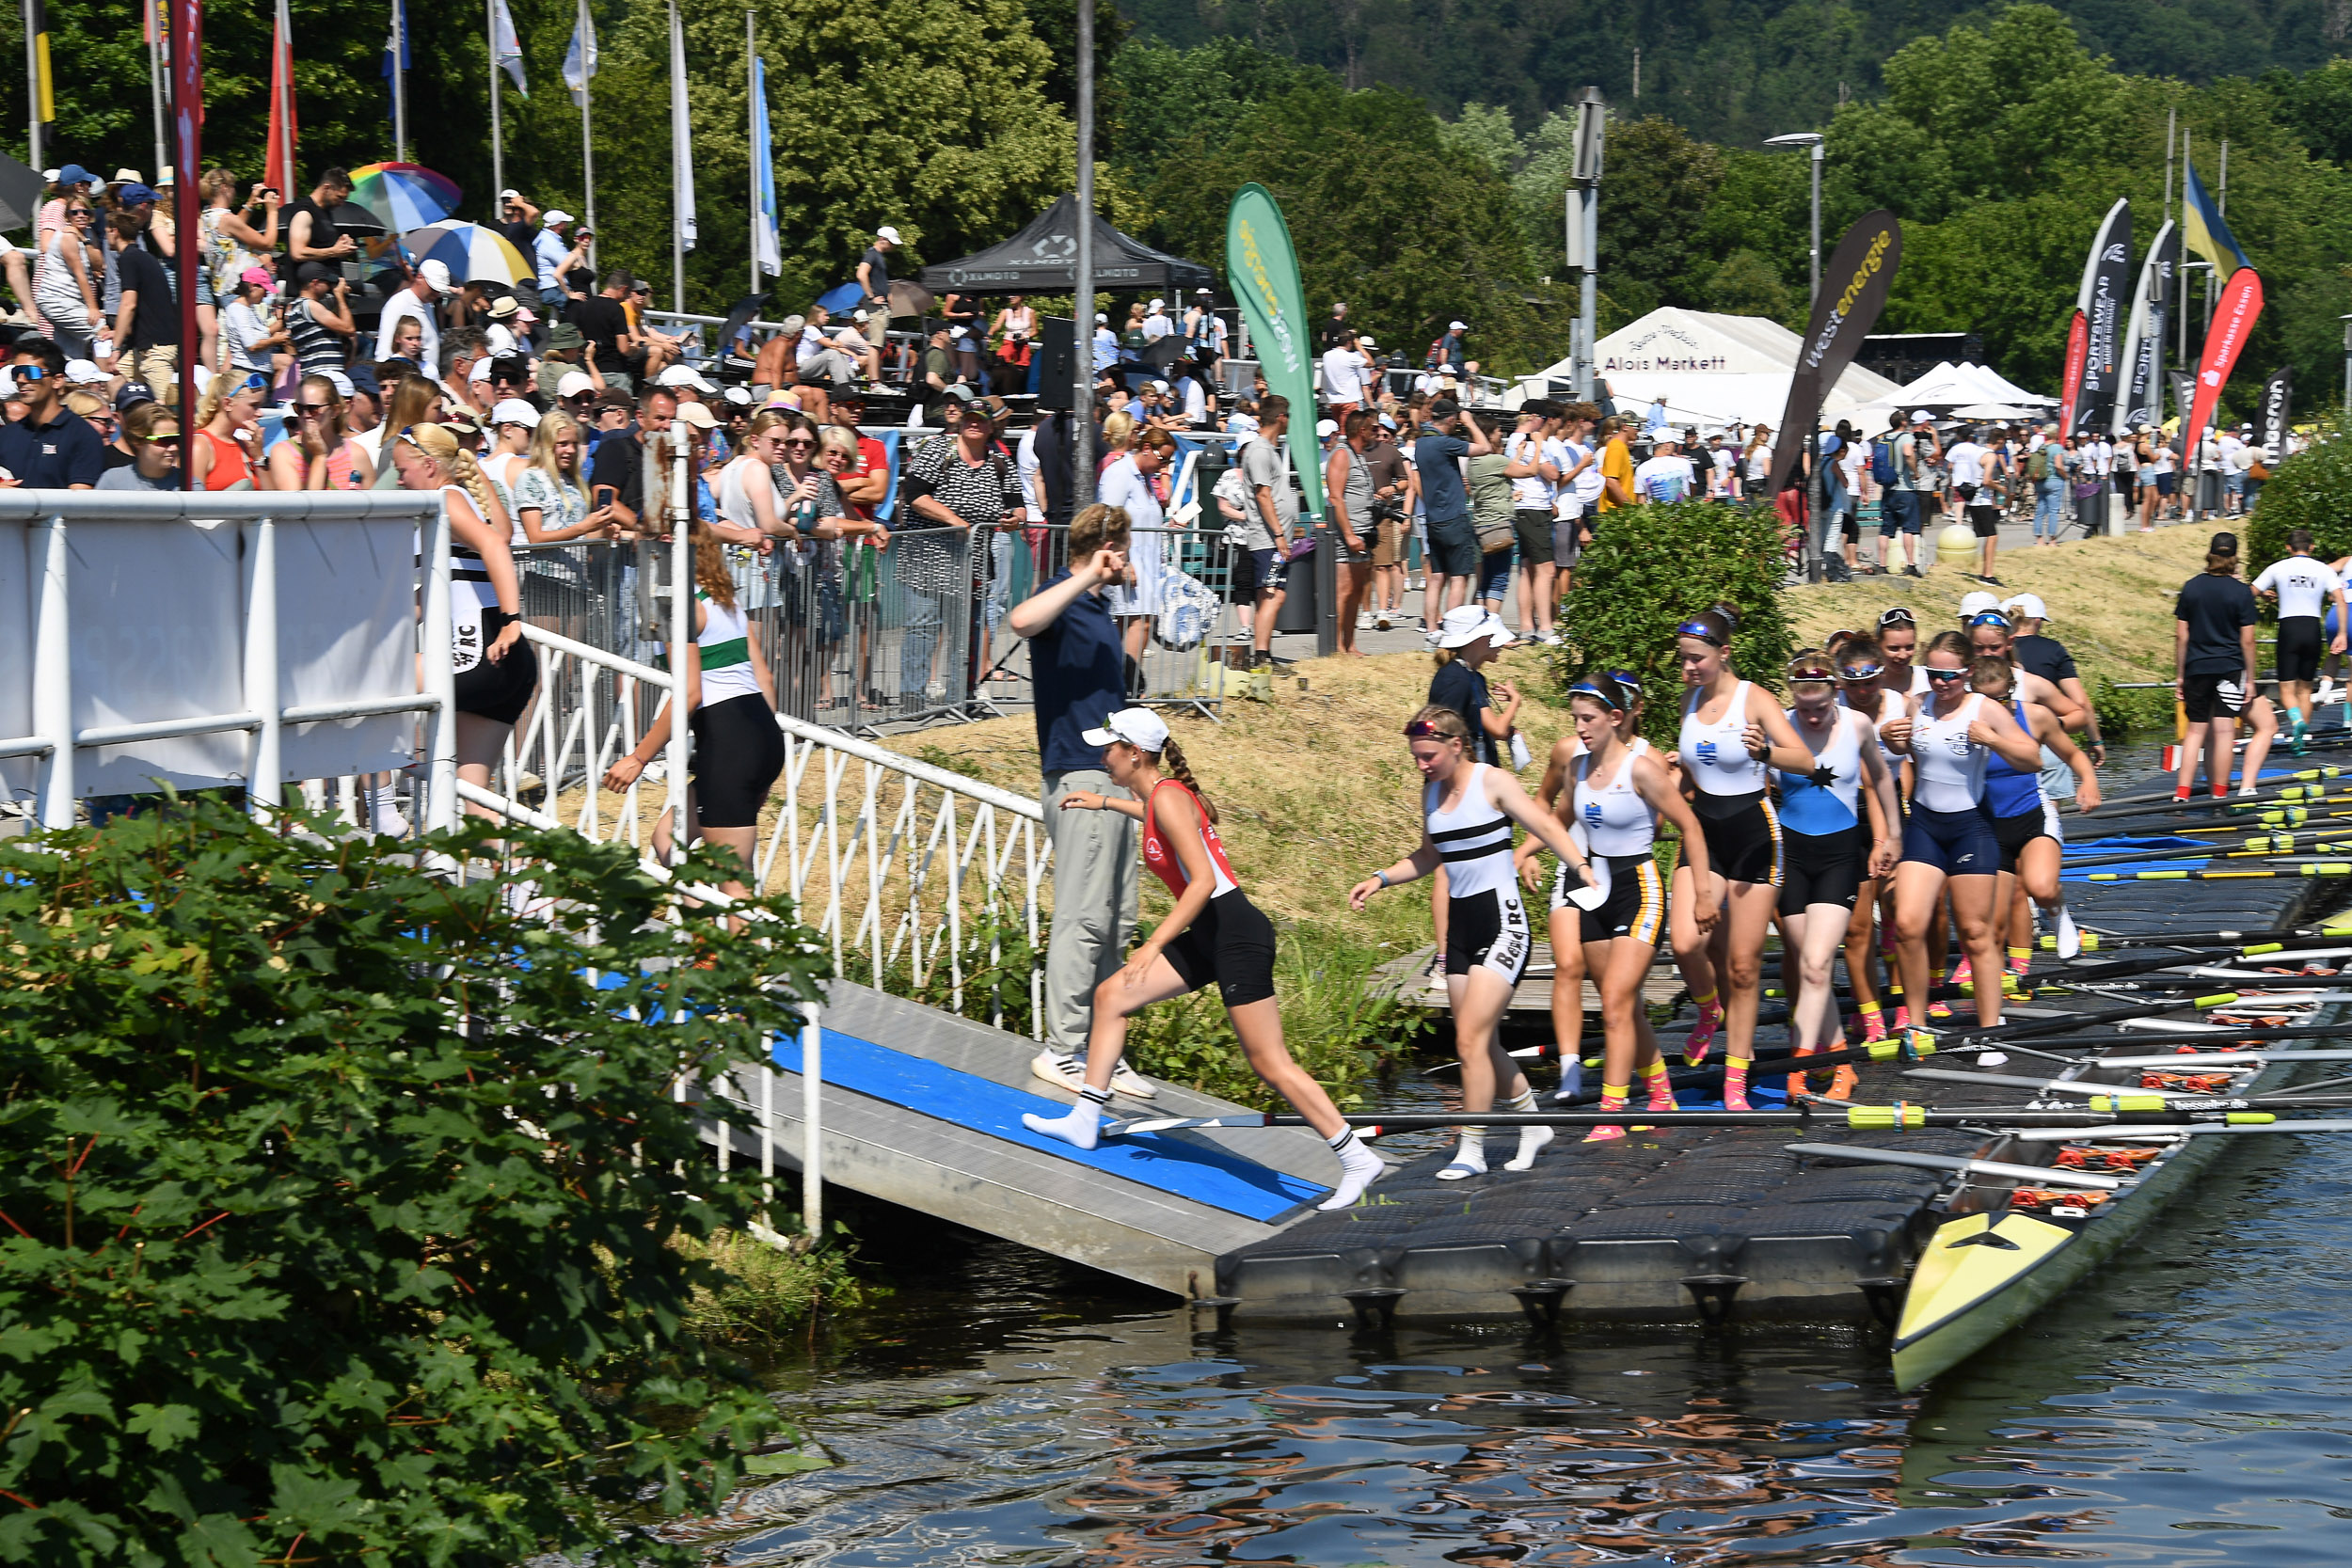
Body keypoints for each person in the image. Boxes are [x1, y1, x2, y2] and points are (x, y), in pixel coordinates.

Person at [1023, 708, 1387, 1208]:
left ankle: (1355, 1157)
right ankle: (1085, 1120)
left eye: (1109, 748)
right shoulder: (1161, 796)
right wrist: (1104, 802)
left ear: (1135, 753)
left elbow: (1204, 882)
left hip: (1236, 933)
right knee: (1110, 997)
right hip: (1212, 930)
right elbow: (1174, 817)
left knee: (1270, 1062)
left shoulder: (1169, 798)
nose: (1102, 756)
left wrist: (1152, 946)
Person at [1350, 705, 1592, 1179]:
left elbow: (1544, 826)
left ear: (1455, 745)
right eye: (1416, 757)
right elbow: (1426, 856)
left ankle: (1472, 1148)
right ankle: (1532, 1123)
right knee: (1482, 1043)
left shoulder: (1492, 781)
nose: (1422, 765)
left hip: (1503, 925)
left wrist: (1581, 868)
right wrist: (1380, 879)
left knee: (1469, 1040)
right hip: (1460, 930)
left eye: (1428, 756)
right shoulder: (1430, 792)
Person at [1521, 673, 1719, 1135]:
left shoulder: (1643, 769)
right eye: (1575, 719)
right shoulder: (1577, 768)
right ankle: (1661, 1093)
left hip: (1639, 889)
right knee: (1624, 1007)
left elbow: (1690, 826)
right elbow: (1558, 820)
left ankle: (1612, 1114)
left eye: (1588, 719)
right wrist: (1523, 852)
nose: (1580, 728)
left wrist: (1704, 893)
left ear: (1615, 717)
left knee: (1614, 1001)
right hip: (1596, 890)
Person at [1009, 503, 1154, 1101]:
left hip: (1115, 781)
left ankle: (1103, 1050)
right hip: (1079, 778)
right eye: (1123, 550)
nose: (1129, 561)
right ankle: (1062, 1048)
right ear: (1105, 548)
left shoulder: (1098, 610)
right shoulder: (1064, 598)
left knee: (1116, 921)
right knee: (1083, 919)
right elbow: (1020, 620)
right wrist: (1088, 575)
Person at [1668, 606, 1819, 1109]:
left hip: (1754, 834)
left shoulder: (1754, 699)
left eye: (1697, 660)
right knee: (1686, 940)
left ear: (1723, 653)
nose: (1689, 669)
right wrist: (1672, 780)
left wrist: (1766, 753)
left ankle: (1737, 1076)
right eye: (1684, 660)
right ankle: (1710, 1012)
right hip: (1703, 833)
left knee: (1742, 965)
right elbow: (1691, 773)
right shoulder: (1689, 699)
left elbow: (1805, 759)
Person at [600, 518, 786, 903]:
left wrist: (638, 757)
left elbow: (689, 694)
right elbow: (765, 677)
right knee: (666, 838)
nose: (639, 547)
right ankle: (703, 939)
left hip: (729, 740)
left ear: (667, 545)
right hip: (762, 734)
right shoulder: (724, 600)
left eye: (645, 539)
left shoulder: (674, 603)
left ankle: (729, 957)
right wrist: (764, 769)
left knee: (734, 885)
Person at [1879, 632, 2046, 1046]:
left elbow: (2033, 758)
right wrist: (1887, 740)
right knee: (1908, 926)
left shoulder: (1984, 708)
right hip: (1924, 826)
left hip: (1971, 827)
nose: (1941, 683)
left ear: (1967, 672)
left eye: (1950, 676)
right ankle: (1916, 1025)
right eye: (1934, 674)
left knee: (1975, 933)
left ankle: (1989, 1031)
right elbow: (1892, 757)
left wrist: (1993, 740)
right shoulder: (1917, 706)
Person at [1774, 649, 1900, 1099]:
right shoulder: (1780, 725)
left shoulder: (1857, 725)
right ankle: (1842, 1063)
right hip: (1789, 857)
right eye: (1803, 709)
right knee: (1814, 970)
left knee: (1814, 963)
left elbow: (1882, 779)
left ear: (1836, 694)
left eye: (1820, 709)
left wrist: (1891, 837)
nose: (1811, 719)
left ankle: (1799, 1068)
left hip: (1839, 856)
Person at [394, 422, 537, 817]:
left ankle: (385, 801)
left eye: (402, 471)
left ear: (427, 465)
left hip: (485, 652)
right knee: (473, 798)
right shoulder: (457, 497)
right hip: (508, 663)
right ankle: (523, 877)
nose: (399, 480)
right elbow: (445, 585)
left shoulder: (446, 497)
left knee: (373, 678)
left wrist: (512, 620)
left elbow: (494, 543)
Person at [1975, 656, 2098, 978]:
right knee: (1995, 916)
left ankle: (2058, 913)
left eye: (2001, 698)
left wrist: (2089, 782)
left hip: (2031, 813)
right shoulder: (1963, 721)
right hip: (1987, 824)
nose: (1994, 707)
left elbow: (2072, 754)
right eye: (1985, 700)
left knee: (2040, 889)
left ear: (2013, 690)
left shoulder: (2037, 716)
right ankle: (2015, 974)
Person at [2174, 531, 2260, 800]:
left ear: (2210, 554)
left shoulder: (2191, 587)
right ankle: (2220, 796)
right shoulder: (2242, 592)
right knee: (2224, 731)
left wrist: (2179, 675)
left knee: (2195, 730)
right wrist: (2251, 679)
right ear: (2234, 558)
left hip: (2196, 667)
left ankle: (2182, 792)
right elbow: (2248, 641)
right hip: (2229, 669)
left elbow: (2181, 635)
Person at [2253, 529, 2348, 751]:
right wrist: (2342, 633)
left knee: (2286, 689)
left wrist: (2264, 594)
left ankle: (2296, 722)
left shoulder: (2278, 567)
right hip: (2312, 628)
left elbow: (2250, 591)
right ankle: (2302, 743)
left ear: (2289, 548)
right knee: (2306, 689)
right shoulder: (2322, 569)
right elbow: (2341, 600)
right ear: (2311, 547)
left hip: (2289, 628)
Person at [1417, 396, 1491, 628]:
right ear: (1450, 419)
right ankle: (1452, 628)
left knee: (1437, 577)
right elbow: (1485, 448)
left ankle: (1431, 630)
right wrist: (1470, 423)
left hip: (1433, 519)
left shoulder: (1421, 443)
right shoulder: (1444, 443)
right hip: (1453, 518)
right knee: (1459, 577)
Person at [1238, 394, 1297, 672]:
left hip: (1272, 538)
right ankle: (1261, 657)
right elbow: (1263, 495)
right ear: (1282, 417)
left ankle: (1263, 654)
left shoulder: (1265, 449)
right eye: (1289, 417)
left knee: (1268, 594)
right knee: (1274, 594)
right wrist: (1279, 534)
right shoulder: (1261, 451)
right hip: (1267, 539)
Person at [0, 339, 105, 487]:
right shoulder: (6, 435)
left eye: (30, 372)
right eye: (16, 373)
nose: (21, 380)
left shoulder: (83, 435)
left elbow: (81, 501)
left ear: (57, 380)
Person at [265, 372, 374, 490]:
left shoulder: (356, 453)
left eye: (313, 409)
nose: (306, 415)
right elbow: (302, 507)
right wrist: (319, 457)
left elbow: (374, 505)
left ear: (335, 411)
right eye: (299, 408)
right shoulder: (284, 452)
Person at [92, 402, 180, 490]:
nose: (174, 448)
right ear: (138, 441)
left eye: (176, 440)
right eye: (164, 440)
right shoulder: (112, 481)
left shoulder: (189, 484)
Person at [857, 225, 898, 310]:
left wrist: (888, 294)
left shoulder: (878, 255)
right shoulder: (872, 254)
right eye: (891, 243)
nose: (893, 246)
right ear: (882, 239)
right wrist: (871, 298)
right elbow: (861, 274)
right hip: (876, 308)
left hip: (881, 306)